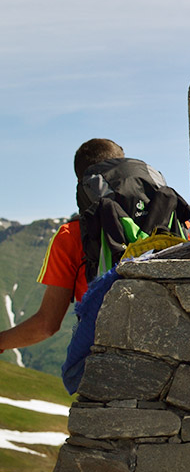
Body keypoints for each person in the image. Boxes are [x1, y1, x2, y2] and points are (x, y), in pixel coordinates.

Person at [0, 138, 125, 354]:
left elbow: (46, 325)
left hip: (105, 359)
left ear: (82, 183)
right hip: (174, 355)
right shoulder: (166, 216)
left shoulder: (72, 235)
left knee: (73, 372)